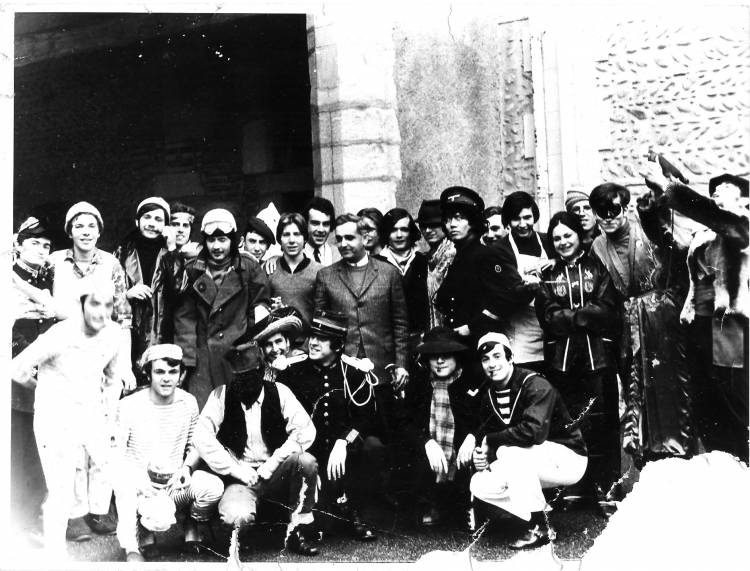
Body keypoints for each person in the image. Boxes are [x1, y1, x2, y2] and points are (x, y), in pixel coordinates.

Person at [11, 280, 133, 557]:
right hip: (55, 419)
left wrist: (109, 414)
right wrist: (46, 392)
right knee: (62, 492)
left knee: (122, 479)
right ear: (81, 304)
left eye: (108, 305)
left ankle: (131, 547)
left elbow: (113, 379)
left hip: (92, 415)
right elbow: (17, 370)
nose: (101, 312)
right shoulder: (59, 334)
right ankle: (56, 557)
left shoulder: (114, 334)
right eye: (95, 304)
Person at [590, 182, 696, 465]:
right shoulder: (597, 246)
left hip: (662, 316)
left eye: (614, 210)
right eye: (601, 212)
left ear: (625, 208)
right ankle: (646, 455)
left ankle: (679, 450)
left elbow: (676, 257)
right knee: (636, 386)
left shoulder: (646, 229)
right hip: (628, 324)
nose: (608, 217)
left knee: (670, 381)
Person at [49, 201, 135, 541]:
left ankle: (99, 508)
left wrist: (124, 366)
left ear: (99, 231)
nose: (85, 232)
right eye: (79, 226)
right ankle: (75, 513)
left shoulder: (111, 263)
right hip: (67, 357)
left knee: (104, 434)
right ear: (70, 231)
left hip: (105, 355)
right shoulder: (55, 262)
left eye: (91, 226)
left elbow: (123, 317)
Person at [192, 336, 320, 556]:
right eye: (239, 378)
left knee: (305, 462)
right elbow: (201, 437)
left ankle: (297, 529)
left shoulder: (279, 392)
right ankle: (246, 533)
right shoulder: (221, 396)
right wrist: (237, 470)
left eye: (251, 376)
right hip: (241, 480)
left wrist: (273, 462)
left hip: (275, 473)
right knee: (236, 517)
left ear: (261, 372)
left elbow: (306, 430)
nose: (245, 384)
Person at [470, 333, 587, 550]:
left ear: (511, 358)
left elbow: (533, 433)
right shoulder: (489, 394)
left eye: (497, 356)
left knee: (509, 453)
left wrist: (490, 441)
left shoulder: (535, 384)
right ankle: (538, 515)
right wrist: (482, 456)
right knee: (479, 483)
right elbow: (488, 433)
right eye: (486, 359)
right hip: (533, 460)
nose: (492, 364)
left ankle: (538, 527)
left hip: (568, 458)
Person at [535, 212, 621, 511]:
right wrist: (585, 316)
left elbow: (606, 310)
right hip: (562, 362)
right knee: (570, 423)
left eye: (567, 235)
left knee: (603, 423)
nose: (563, 242)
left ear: (578, 236)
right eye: (557, 238)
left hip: (598, 359)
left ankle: (606, 487)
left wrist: (571, 318)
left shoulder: (597, 267)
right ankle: (575, 487)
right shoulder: (548, 274)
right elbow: (548, 317)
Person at [663, 173, 749, 462]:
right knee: (705, 397)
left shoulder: (742, 225)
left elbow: (710, 214)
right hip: (699, 323)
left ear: (743, 199)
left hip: (730, 325)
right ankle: (720, 461)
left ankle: (743, 462)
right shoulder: (703, 234)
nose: (717, 194)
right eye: (714, 192)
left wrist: (671, 189)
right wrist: (650, 210)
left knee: (732, 396)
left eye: (725, 189)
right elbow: (671, 242)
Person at [278, 310, 383, 541]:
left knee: (372, 446)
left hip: (343, 455)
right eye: (312, 336)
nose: (313, 342)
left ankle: (356, 511)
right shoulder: (292, 372)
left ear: (337, 345)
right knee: (318, 525)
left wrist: (344, 441)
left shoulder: (354, 372)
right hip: (309, 452)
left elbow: (365, 417)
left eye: (322, 339)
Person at [114, 344, 224, 562]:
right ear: (148, 374)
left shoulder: (188, 402)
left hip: (174, 483)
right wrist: (139, 480)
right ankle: (133, 544)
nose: (166, 378)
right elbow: (116, 454)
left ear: (181, 375)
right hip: (141, 486)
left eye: (173, 372)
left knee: (213, 488)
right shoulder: (128, 406)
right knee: (156, 516)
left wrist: (186, 468)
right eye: (159, 372)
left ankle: (190, 521)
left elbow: (195, 445)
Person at [171, 208, 271, 409]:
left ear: (232, 240)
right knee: (204, 412)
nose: (217, 246)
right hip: (203, 359)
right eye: (211, 240)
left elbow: (261, 306)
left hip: (240, 356)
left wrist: (246, 340)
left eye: (223, 240)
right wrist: (186, 361)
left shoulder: (248, 268)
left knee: (241, 412)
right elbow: (185, 319)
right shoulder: (192, 270)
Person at [314, 213, 410, 394]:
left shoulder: (389, 273)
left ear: (365, 238)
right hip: (341, 370)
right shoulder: (326, 276)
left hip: (383, 369)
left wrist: (401, 364)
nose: (343, 244)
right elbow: (320, 328)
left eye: (349, 238)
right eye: (339, 239)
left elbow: (400, 325)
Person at [10, 217, 61, 544]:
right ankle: (19, 521)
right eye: (34, 243)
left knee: (42, 450)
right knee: (18, 450)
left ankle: (34, 515)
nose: (41, 250)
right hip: (17, 378)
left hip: (47, 376)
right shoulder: (8, 278)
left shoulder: (51, 279)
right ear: (18, 245)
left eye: (46, 246)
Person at [402, 326, 483, 528]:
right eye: (433, 356)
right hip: (431, 456)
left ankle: (470, 505)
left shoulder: (472, 380)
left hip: (463, 456)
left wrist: (473, 436)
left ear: (456, 356)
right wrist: (426, 442)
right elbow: (405, 421)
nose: (439, 361)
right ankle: (430, 503)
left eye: (446, 355)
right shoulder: (419, 383)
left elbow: (487, 418)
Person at [435, 186, 512, 346]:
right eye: (448, 219)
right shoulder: (458, 257)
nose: (452, 225)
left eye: (459, 218)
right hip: (457, 343)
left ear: (472, 221)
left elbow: (503, 300)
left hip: (481, 343)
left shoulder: (486, 255)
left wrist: (472, 327)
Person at [493, 191, 555, 371]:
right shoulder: (501, 249)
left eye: (527, 217)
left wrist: (555, 262)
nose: (522, 224)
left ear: (534, 216)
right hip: (521, 334)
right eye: (516, 219)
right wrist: (530, 286)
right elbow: (513, 291)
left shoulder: (547, 241)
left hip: (550, 330)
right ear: (507, 221)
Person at [115, 196, 171, 381]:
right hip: (129, 331)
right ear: (137, 221)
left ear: (166, 225)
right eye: (147, 217)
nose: (152, 223)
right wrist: (127, 294)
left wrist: (172, 250)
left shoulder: (169, 254)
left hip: (162, 331)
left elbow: (180, 288)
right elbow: (107, 292)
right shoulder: (122, 252)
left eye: (158, 219)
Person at [378, 207, 430, 341]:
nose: (399, 235)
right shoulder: (376, 264)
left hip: (423, 338)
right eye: (393, 230)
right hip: (389, 340)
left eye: (404, 229)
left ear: (411, 232)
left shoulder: (424, 261)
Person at [267, 212, 322, 327]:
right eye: (286, 234)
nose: (292, 240)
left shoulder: (320, 272)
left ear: (305, 238)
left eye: (297, 234)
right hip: (276, 336)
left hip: (308, 337)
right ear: (279, 239)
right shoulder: (269, 269)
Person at [416, 199, 455, 330]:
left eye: (434, 225)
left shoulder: (452, 252)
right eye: (423, 226)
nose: (428, 230)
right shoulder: (428, 257)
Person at [249, 306, 306, 382]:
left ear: (287, 341)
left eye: (278, 341)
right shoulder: (256, 373)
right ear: (261, 348)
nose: (275, 349)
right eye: (268, 344)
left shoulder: (300, 364)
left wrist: (285, 371)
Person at [303, 196, 340, 266]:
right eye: (315, 223)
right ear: (305, 224)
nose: (321, 230)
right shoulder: (295, 254)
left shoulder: (338, 254)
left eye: (326, 224)